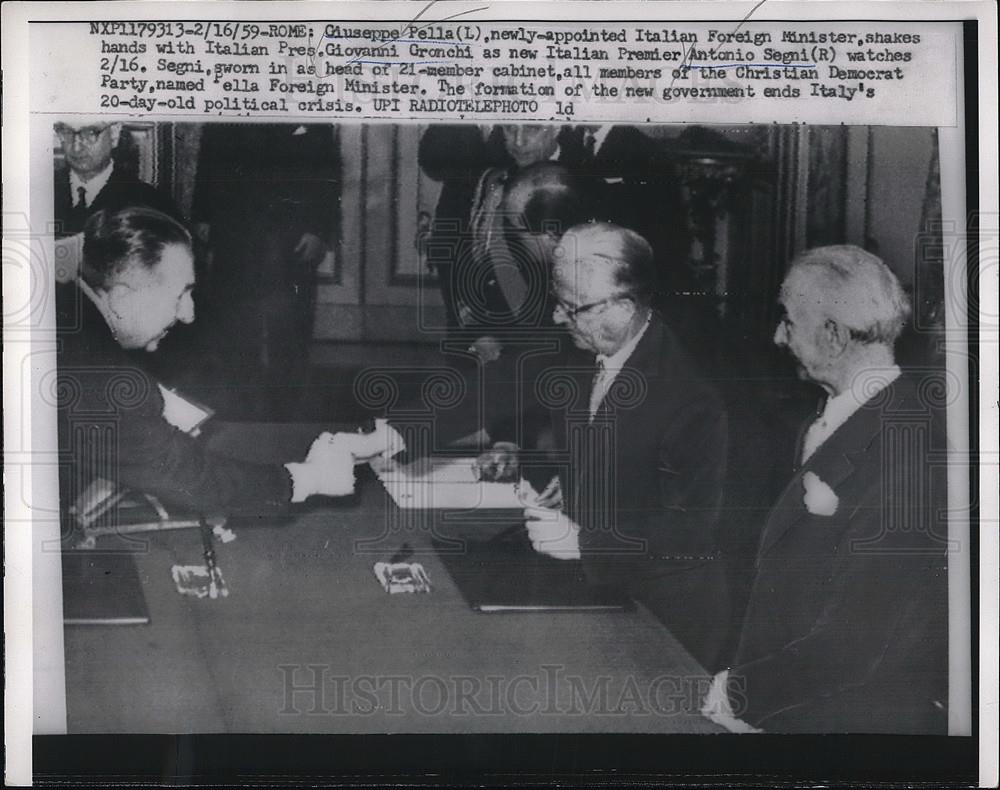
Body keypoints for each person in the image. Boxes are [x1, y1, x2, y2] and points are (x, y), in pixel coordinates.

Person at [701, 245, 949, 734]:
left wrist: (745, 694)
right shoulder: (831, 420)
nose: (778, 337)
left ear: (833, 336)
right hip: (796, 707)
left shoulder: (909, 449)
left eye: (789, 322)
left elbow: (860, 637)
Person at [481, 222, 730, 670]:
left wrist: (585, 543)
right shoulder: (593, 350)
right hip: (607, 594)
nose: (558, 317)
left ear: (623, 307)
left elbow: (690, 530)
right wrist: (576, 483)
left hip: (667, 620)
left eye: (572, 307)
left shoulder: (691, 394)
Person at [56, 208, 397, 529]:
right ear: (122, 297)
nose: (188, 314)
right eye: (180, 294)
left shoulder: (66, 309)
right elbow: (193, 479)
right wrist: (311, 478)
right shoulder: (101, 377)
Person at [191, 123, 340, 414]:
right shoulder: (228, 89)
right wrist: (203, 214)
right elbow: (210, 153)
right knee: (234, 318)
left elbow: (328, 170)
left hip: (292, 234)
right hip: (235, 226)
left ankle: (285, 403)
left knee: (291, 321)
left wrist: (319, 230)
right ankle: (239, 400)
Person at [53, 120, 181, 239]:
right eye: (67, 132)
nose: (76, 147)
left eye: (90, 133)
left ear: (114, 134)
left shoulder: (151, 203)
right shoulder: (39, 191)